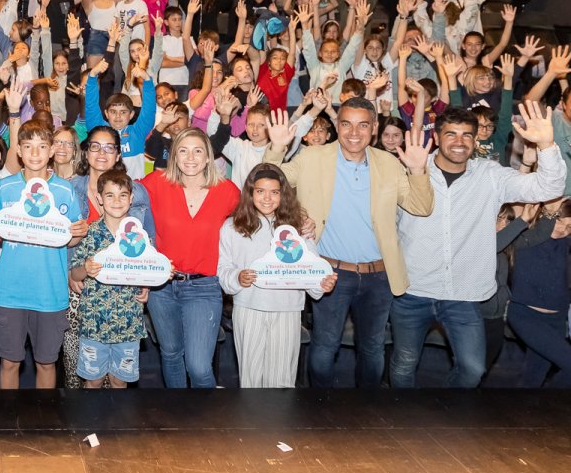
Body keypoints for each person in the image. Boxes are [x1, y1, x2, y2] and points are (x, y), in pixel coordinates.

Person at [390, 103, 566, 388]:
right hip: (413, 290)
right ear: (436, 137)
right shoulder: (410, 171)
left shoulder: (491, 175)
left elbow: (548, 188)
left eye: (466, 135)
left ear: (476, 140)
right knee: (403, 364)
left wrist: (546, 146)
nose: (459, 142)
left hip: (464, 294)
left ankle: (444, 414)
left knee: (472, 370)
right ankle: (401, 419)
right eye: (451, 134)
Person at [263, 98, 434, 387]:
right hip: (330, 273)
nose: (354, 132)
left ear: (375, 128)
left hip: (379, 275)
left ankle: (365, 414)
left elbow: (421, 206)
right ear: (337, 126)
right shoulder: (312, 157)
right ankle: (319, 410)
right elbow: (267, 185)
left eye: (363, 125)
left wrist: (417, 170)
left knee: (373, 349)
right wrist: (277, 147)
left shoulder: (390, 163)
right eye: (346, 124)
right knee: (324, 347)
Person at [218, 165, 337, 388]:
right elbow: (223, 267)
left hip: (287, 309)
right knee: (251, 377)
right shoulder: (232, 227)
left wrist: (323, 283)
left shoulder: (297, 228)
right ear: (250, 193)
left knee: (281, 381)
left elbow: (311, 268)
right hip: (249, 308)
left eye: (274, 192)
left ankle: (279, 423)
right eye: (261, 191)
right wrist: (237, 277)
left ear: (283, 195)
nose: (267, 198)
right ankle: (250, 423)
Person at [140, 128, 240, 388]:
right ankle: (178, 419)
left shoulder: (227, 191)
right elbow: (116, 200)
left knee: (198, 366)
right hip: (161, 287)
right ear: (174, 156)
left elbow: (257, 220)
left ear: (208, 156)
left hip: (203, 287)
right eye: (183, 151)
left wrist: (299, 221)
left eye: (198, 151)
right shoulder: (154, 184)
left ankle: (206, 423)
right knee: (171, 355)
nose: (191, 157)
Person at [0, 120, 87, 389]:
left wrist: (78, 232)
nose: (35, 153)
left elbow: (69, 240)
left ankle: (44, 422)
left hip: (50, 293)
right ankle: (8, 422)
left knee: (46, 362)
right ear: (18, 151)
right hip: (10, 291)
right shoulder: (5, 188)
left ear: (52, 151)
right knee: (9, 363)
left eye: (42, 146)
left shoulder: (64, 190)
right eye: (28, 146)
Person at [69, 169, 150, 389]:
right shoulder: (91, 233)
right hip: (95, 323)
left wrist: (147, 286)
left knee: (119, 381)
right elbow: (75, 274)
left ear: (131, 199)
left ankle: (119, 423)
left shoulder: (140, 237)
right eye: (110, 195)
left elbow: (149, 272)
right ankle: (92, 423)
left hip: (128, 322)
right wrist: (85, 268)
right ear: (99, 199)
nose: (116, 201)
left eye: (123, 195)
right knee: (93, 380)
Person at [507, 198, 571, 388]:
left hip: (557, 319)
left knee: (532, 377)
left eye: (570, 227)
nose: (564, 229)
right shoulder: (527, 235)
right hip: (526, 316)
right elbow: (520, 200)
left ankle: (523, 415)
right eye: (561, 222)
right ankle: (550, 408)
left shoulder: (566, 243)